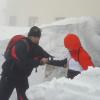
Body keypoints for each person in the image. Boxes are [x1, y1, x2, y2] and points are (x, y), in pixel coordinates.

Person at [0, 26, 67, 100]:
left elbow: (48, 57)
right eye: (34, 36)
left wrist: (63, 62)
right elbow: (23, 63)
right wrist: (39, 62)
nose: (36, 38)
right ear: (29, 36)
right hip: (9, 76)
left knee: (24, 98)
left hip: (22, 77)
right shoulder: (21, 45)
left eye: (38, 37)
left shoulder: (36, 48)